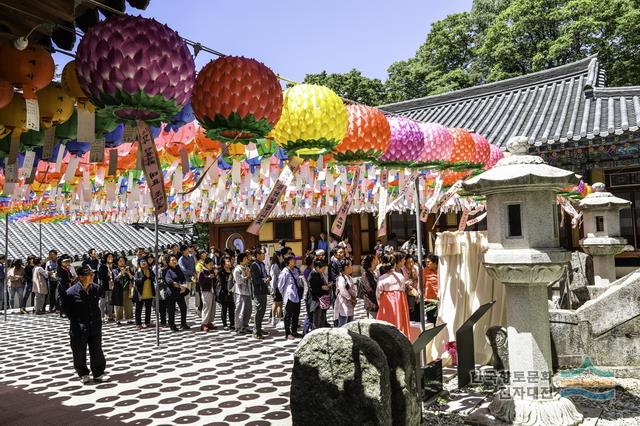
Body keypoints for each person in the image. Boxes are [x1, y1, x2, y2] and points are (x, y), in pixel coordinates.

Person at [62, 264, 109, 384]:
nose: (92, 276)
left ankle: (98, 373)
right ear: (81, 277)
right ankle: (83, 373)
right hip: (79, 327)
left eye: (92, 274)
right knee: (79, 351)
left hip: (95, 325)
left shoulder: (97, 288)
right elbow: (66, 310)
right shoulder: (71, 292)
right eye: (89, 275)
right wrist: (77, 320)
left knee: (97, 350)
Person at [376, 254, 410, 337]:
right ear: (394, 264)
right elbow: (402, 289)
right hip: (399, 303)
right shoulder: (400, 277)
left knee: (386, 325)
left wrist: (380, 304)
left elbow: (378, 293)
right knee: (399, 324)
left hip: (386, 304)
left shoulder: (382, 278)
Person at [278, 254, 303, 340]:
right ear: (288, 261)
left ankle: (294, 331)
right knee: (288, 314)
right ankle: (287, 332)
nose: (295, 261)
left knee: (296, 313)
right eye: (293, 259)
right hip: (289, 295)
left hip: (297, 295)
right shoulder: (285, 271)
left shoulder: (296, 270)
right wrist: (285, 294)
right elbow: (280, 285)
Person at [164, 254, 190, 332]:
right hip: (171, 293)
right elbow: (169, 281)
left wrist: (184, 285)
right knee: (171, 310)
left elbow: (183, 278)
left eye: (175, 259)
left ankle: (183, 323)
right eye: (172, 260)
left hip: (180, 292)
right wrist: (180, 286)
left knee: (183, 308)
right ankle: (172, 325)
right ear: (168, 262)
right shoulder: (166, 271)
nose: (174, 261)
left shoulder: (178, 268)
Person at [250, 249, 270, 339]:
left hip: (263, 290)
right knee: (258, 310)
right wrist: (264, 280)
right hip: (258, 290)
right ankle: (256, 331)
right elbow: (255, 279)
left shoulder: (262, 264)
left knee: (263, 310)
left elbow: (264, 275)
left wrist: (268, 277)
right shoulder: (254, 265)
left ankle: (259, 328)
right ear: (257, 255)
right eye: (262, 254)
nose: (264, 255)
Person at [133, 256, 155, 330]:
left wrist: (151, 277)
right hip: (140, 294)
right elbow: (137, 281)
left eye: (145, 262)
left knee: (148, 308)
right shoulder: (138, 271)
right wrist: (145, 277)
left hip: (149, 292)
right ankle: (138, 323)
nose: (144, 263)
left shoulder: (150, 270)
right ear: (139, 264)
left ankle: (147, 322)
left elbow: (153, 277)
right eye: (142, 262)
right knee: (138, 309)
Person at [233, 252, 252, 335]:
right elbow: (238, 281)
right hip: (240, 292)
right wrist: (246, 277)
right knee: (240, 310)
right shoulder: (237, 269)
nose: (247, 260)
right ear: (240, 260)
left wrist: (249, 276)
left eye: (246, 258)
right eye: (245, 259)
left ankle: (245, 326)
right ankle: (238, 328)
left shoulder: (247, 268)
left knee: (248, 310)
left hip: (248, 292)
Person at [112, 256, 134, 326]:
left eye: (123, 261)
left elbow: (132, 278)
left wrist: (128, 272)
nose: (122, 262)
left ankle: (129, 319)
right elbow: (115, 280)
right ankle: (118, 320)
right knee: (118, 305)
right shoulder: (115, 270)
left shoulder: (128, 269)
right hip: (118, 290)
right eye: (120, 261)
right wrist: (121, 273)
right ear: (117, 262)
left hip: (127, 289)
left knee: (128, 305)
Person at [308, 260, 329, 330]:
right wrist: (322, 287)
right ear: (317, 267)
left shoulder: (319, 273)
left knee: (321, 319)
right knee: (316, 321)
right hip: (315, 300)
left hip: (321, 299)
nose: (323, 270)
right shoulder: (313, 274)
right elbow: (312, 289)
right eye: (322, 268)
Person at [334, 259, 356, 326]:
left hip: (350, 303)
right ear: (346, 267)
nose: (352, 267)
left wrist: (354, 298)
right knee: (343, 323)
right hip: (343, 303)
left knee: (349, 322)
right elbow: (342, 290)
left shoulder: (349, 277)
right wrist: (351, 299)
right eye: (350, 265)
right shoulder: (341, 278)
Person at [198, 257, 217, 331]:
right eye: (210, 264)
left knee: (212, 307)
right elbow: (200, 283)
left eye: (212, 264)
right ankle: (204, 323)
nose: (211, 266)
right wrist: (208, 277)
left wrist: (215, 276)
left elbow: (214, 281)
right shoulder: (202, 272)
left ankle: (209, 322)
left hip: (212, 291)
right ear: (205, 264)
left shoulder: (211, 271)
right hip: (205, 291)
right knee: (206, 307)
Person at [217, 256, 235, 331]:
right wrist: (227, 290)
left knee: (232, 308)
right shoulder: (221, 272)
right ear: (223, 264)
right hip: (224, 292)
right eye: (227, 261)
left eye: (229, 261)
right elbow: (222, 283)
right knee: (224, 309)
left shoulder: (232, 270)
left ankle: (232, 323)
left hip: (232, 292)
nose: (229, 262)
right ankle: (225, 324)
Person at [97, 252, 116, 322]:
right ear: (106, 258)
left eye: (111, 257)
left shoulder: (114, 266)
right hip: (104, 286)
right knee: (103, 302)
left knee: (111, 301)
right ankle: (101, 316)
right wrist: (108, 276)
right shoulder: (102, 266)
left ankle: (110, 315)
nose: (110, 258)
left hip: (112, 286)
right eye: (109, 257)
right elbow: (100, 277)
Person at [360, 254, 379, 319]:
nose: (377, 262)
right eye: (376, 259)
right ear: (372, 261)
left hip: (375, 304)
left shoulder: (372, 273)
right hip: (372, 304)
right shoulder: (365, 275)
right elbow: (370, 290)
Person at [404, 254, 421, 322]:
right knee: (410, 312)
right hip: (408, 293)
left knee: (418, 310)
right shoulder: (403, 270)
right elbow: (405, 282)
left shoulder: (416, 268)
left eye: (412, 262)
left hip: (416, 291)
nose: (411, 264)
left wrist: (418, 289)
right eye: (409, 262)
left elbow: (420, 280)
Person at [269, 250, 284, 327]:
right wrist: (274, 288)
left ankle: (277, 319)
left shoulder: (278, 265)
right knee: (276, 303)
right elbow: (274, 278)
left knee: (279, 303)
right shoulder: (275, 265)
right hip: (276, 287)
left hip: (278, 287)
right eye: (281, 256)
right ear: (278, 256)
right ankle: (274, 319)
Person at [423, 254, 439, 325]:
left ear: (435, 262)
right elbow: (422, 284)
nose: (426, 264)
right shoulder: (424, 271)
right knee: (431, 320)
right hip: (429, 300)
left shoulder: (440, 270)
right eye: (426, 262)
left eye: (428, 262)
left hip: (440, 299)